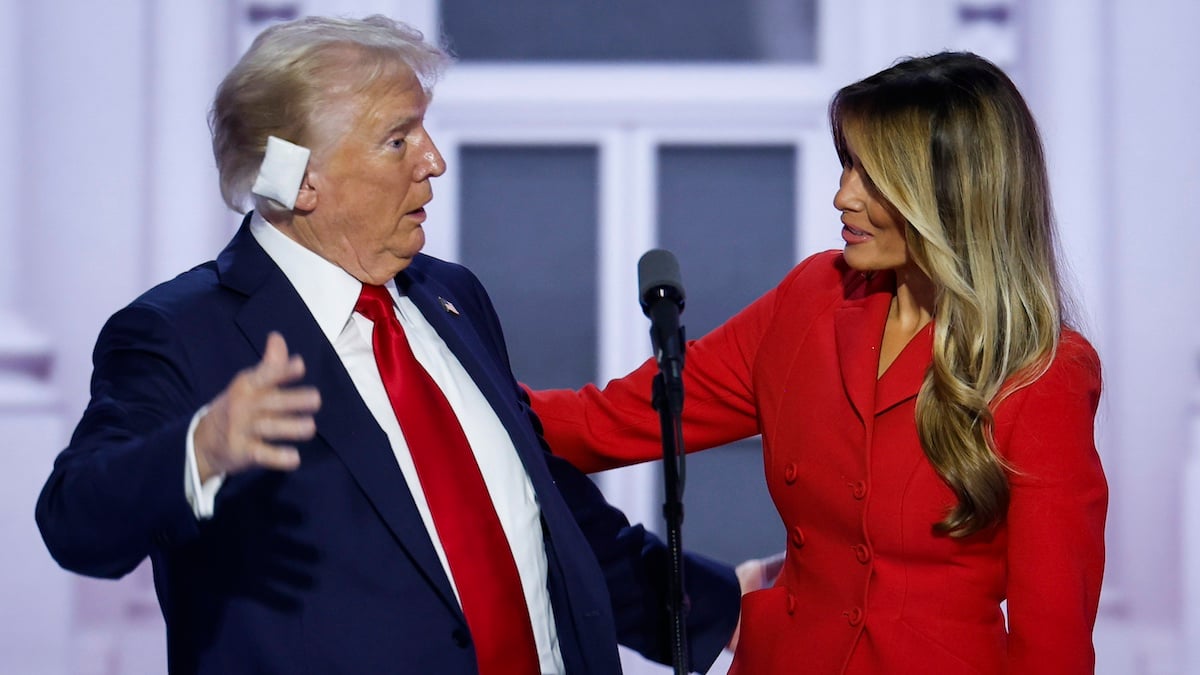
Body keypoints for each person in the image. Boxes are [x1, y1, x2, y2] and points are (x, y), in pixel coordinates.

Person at [35, 15, 740, 675]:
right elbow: (74, 521)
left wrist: (722, 606)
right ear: (300, 178)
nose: (432, 161)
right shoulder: (180, 333)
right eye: (398, 139)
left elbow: (544, 512)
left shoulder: (453, 297)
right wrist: (201, 448)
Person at [530, 51, 1107, 674]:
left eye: (873, 176)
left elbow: (1054, 642)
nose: (842, 196)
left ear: (952, 195)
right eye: (846, 166)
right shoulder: (812, 299)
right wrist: (444, 388)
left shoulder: (1044, 373)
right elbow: (606, 423)